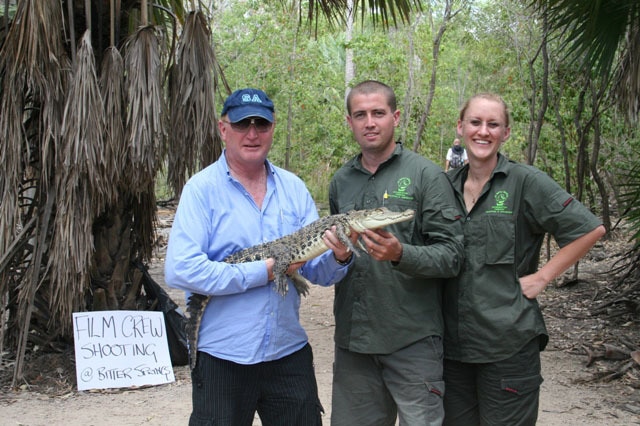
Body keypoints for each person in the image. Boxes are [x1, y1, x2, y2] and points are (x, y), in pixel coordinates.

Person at [164, 88, 355, 426]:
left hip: (287, 352)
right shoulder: (201, 189)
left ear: (273, 128)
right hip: (223, 357)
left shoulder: (294, 188)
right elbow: (182, 270)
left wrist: (340, 257)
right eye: (242, 124)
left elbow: (316, 272)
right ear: (223, 129)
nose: (252, 134)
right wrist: (264, 271)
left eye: (261, 124)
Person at [442, 93, 606, 425]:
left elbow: (590, 229)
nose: (483, 131)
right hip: (452, 350)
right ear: (460, 128)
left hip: (508, 345)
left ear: (506, 133)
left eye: (493, 124)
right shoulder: (444, 186)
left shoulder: (525, 181)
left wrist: (543, 276)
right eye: (475, 122)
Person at [328, 80, 465, 426]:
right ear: (350, 122)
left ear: (396, 117)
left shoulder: (427, 176)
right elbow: (339, 258)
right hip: (354, 343)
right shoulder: (341, 181)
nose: (369, 122)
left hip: (412, 341)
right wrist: (339, 257)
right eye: (360, 115)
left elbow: (452, 255)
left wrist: (400, 254)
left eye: (378, 113)